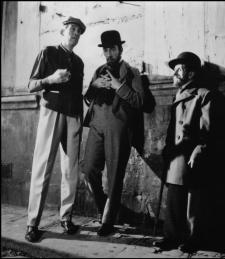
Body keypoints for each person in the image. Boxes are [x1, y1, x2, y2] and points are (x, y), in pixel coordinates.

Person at [25, 16, 86, 242]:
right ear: (62, 31)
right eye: (71, 28)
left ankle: (66, 218)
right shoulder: (48, 52)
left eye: (79, 31)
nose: (74, 33)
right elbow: (31, 85)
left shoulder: (79, 62)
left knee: (71, 169)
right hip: (52, 112)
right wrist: (51, 78)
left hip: (73, 116)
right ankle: (33, 223)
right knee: (43, 166)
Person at [81, 30, 146, 236]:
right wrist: (93, 86)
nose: (109, 53)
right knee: (89, 168)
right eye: (106, 50)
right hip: (96, 124)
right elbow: (87, 99)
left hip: (119, 127)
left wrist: (119, 86)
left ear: (120, 49)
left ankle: (108, 220)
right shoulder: (99, 70)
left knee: (115, 174)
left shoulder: (132, 72)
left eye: (112, 49)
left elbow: (140, 101)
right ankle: (105, 207)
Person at [153, 52, 214, 252]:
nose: (175, 74)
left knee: (192, 198)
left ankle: (193, 238)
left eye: (179, 70)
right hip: (176, 154)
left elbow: (208, 129)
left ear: (191, 73)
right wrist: (167, 149)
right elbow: (172, 128)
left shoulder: (203, 94)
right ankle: (171, 235)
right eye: (175, 70)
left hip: (192, 155)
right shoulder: (177, 95)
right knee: (174, 195)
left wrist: (200, 148)